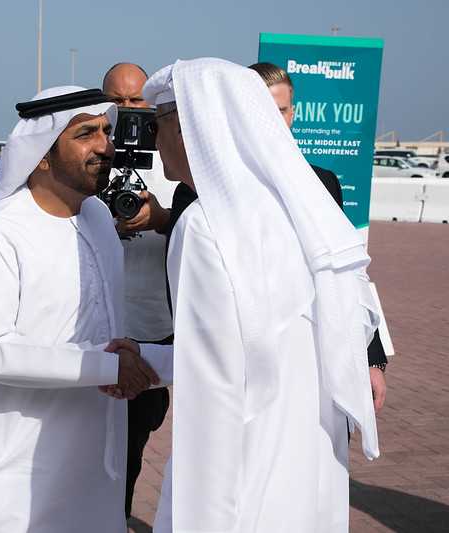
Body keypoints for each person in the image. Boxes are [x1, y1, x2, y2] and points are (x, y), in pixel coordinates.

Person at [112, 58, 381, 532]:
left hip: (244, 475)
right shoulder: (295, 208)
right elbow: (258, 341)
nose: (154, 138)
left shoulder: (206, 225)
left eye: (160, 124)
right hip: (307, 462)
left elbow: (212, 390)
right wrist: (149, 357)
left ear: (194, 125)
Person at [0, 86, 159, 533]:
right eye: (86, 134)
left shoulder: (97, 220)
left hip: (88, 466)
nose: (105, 147)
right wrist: (109, 367)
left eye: (107, 133)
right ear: (41, 155)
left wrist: (143, 361)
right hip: (7, 472)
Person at [248, 62, 388, 412]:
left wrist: (370, 358)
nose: (274, 120)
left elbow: (346, 273)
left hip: (315, 358)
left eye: (280, 110)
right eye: (263, 110)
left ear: (293, 113)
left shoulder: (323, 183)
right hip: (250, 368)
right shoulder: (206, 189)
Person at [102, 61, 176, 519]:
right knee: (104, 446)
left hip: (159, 331)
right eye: (117, 100)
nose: (126, 109)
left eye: (136, 99)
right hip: (102, 328)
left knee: (136, 439)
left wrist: (160, 217)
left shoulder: (173, 163)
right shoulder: (91, 157)